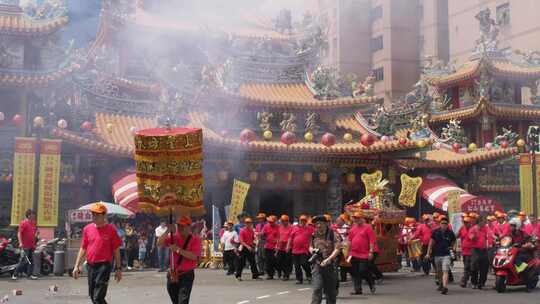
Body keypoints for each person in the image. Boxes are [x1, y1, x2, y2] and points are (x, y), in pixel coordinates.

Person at [73, 203, 122, 304]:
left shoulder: (111, 230)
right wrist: (76, 266)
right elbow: (83, 248)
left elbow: (116, 250)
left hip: (104, 266)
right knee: (92, 295)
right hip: (90, 266)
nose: (94, 217)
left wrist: (118, 269)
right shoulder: (87, 229)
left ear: (104, 216)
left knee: (97, 297)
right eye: (93, 214)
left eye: (97, 215)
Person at [157, 216, 202, 304]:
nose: (181, 228)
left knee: (183, 301)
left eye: (183, 226)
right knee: (175, 301)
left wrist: (178, 250)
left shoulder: (195, 239)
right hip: (173, 274)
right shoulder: (173, 237)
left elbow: (195, 257)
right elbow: (159, 243)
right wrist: (167, 231)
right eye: (179, 225)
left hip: (186, 275)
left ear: (189, 227)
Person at [310, 215, 341, 304]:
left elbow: (338, 248)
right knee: (317, 288)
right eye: (316, 224)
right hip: (317, 265)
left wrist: (329, 259)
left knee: (330, 292)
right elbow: (310, 246)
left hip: (330, 265)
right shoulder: (314, 234)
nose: (318, 225)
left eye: (320, 223)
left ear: (326, 223)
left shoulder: (333, 234)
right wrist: (312, 250)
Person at [347, 211, 376, 295]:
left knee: (363, 270)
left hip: (364, 253)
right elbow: (349, 240)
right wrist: (348, 252)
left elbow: (372, 240)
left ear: (362, 219)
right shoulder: (352, 228)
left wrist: (371, 251)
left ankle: (371, 283)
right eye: (355, 218)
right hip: (354, 253)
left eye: (358, 218)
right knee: (355, 272)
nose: (356, 220)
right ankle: (358, 289)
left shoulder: (368, 227)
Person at [426, 216, 456, 295]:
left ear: (447, 224)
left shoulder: (450, 233)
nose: (444, 225)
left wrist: (452, 250)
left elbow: (453, 242)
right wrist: (428, 253)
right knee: (439, 272)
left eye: (445, 223)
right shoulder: (435, 232)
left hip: (446, 255)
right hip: (437, 255)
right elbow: (431, 243)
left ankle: (445, 287)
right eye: (442, 223)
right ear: (440, 224)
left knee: (445, 270)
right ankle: (441, 284)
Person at [12, 209, 39, 280]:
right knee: (24, 260)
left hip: (31, 245)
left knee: (31, 261)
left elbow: (34, 232)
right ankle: (15, 274)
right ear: (29, 215)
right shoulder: (23, 223)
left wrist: (36, 235)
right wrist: (20, 243)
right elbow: (19, 233)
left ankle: (30, 275)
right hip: (25, 245)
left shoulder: (33, 223)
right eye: (33, 214)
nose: (34, 216)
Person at [288, 215, 313, 284]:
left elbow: (312, 237)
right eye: (301, 220)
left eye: (304, 220)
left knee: (304, 263)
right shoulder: (294, 228)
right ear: (299, 221)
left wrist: (311, 245)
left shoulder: (310, 228)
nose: (303, 222)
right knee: (296, 265)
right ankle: (299, 279)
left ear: (306, 221)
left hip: (304, 249)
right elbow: (290, 237)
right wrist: (288, 246)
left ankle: (309, 274)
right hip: (295, 249)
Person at [469, 216, 490, 289]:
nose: (485, 223)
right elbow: (471, 237)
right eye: (484, 221)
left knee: (485, 266)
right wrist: (475, 234)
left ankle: (481, 283)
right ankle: (474, 282)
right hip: (475, 250)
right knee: (474, 266)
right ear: (480, 222)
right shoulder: (473, 228)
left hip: (484, 250)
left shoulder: (485, 228)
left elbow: (489, 236)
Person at [262, 215, 280, 280]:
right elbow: (263, 234)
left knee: (274, 260)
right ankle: (270, 275)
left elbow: (279, 237)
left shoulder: (278, 227)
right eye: (269, 222)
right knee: (268, 261)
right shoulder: (266, 226)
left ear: (275, 221)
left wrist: (277, 245)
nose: (270, 223)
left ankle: (279, 271)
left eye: (272, 222)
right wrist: (262, 236)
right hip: (267, 246)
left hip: (275, 247)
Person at [276, 215, 293, 281]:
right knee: (279, 260)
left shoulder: (291, 227)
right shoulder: (280, 227)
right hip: (280, 246)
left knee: (287, 261)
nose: (283, 222)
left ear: (287, 221)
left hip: (288, 247)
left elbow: (291, 237)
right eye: (282, 221)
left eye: (284, 221)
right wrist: (276, 246)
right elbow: (278, 237)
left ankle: (286, 275)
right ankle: (280, 271)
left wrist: (288, 245)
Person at [458, 216, 473, 288]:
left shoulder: (473, 229)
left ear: (470, 223)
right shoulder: (462, 228)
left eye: (467, 222)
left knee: (467, 266)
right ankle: (468, 277)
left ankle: (464, 280)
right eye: (464, 222)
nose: (465, 223)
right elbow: (457, 235)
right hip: (464, 251)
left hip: (471, 251)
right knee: (466, 266)